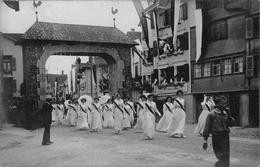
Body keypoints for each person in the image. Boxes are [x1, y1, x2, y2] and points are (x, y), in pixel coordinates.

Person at [203, 95, 235, 167]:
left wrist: (229, 115)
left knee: (226, 157)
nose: (224, 105)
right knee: (220, 157)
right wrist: (205, 141)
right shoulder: (211, 114)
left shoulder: (225, 113)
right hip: (217, 137)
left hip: (225, 137)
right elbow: (207, 128)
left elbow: (231, 124)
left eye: (225, 104)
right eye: (222, 104)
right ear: (217, 104)